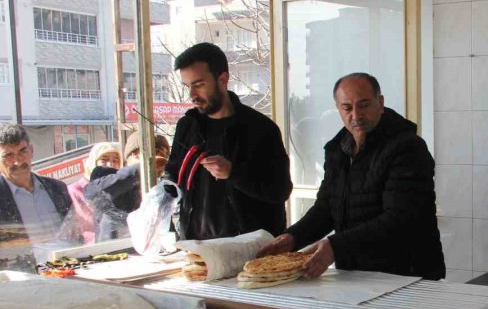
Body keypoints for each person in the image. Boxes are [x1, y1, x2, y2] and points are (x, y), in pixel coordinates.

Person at [257, 72, 445, 280]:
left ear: (380, 103)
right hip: (354, 274)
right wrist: (292, 238)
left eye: (364, 105)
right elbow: (327, 208)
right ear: (338, 109)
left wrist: (335, 246)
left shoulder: (407, 148)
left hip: (408, 274)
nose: (356, 115)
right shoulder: (338, 150)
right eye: (347, 108)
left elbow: (400, 219)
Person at [162, 42, 291, 240]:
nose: (192, 95)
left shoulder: (261, 128)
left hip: (251, 252)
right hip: (197, 248)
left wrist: (233, 172)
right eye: (188, 86)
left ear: (223, 79)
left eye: (198, 85)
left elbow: (280, 190)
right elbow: (174, 174)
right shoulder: (187, 126)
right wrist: (161, 195)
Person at [85, 133, 170, 242]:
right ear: (136, 154)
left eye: (166, 154)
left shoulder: (160, 184)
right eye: (157, 152)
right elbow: (94, 192)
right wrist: (141, 169)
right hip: (114, 250)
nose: (163, 158)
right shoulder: (107, 174)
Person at [0, 124, 74, 248]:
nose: (18, 162)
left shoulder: (58, 189)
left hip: (65, 265)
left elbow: (74, 232)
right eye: (8, 156)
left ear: (32, 150)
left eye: (23, 151)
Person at [68, 142, 122, 244]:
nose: (110, 165)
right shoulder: (75, 191)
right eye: (104, 160)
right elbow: (79, 231)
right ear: (93, 162)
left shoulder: (122, 190)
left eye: (115, 161)